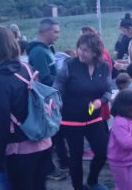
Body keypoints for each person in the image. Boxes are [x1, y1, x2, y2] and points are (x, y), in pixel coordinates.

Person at [0, 27, 51, 190]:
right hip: (42, 142)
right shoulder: (28, 68)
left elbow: (3, 122)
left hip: (20, 150)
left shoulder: (0, 80)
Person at [53, 33, 111, 190]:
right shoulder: (69, 65)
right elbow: (56, 89)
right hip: (71, 119)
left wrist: (101, 101)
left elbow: (108, 91)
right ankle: (78, 187)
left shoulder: (104, 67)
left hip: (94, 118)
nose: (81, 52)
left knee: (103, 151)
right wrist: (52, 103)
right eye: (80, 48)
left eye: (86, 50)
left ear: (96, 52)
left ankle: (92, 181)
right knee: (76, 156)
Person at [26, 18, 66, 179]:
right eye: (55, 31)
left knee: (55, 132)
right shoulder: (38, 52)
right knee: (49, 132)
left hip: (51, 97)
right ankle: (48, 168)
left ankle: (61, 162)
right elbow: (44, 78)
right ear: (45, 32)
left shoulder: (46, 49)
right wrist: (64, 79)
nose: (58, 35)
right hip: (45, 99)